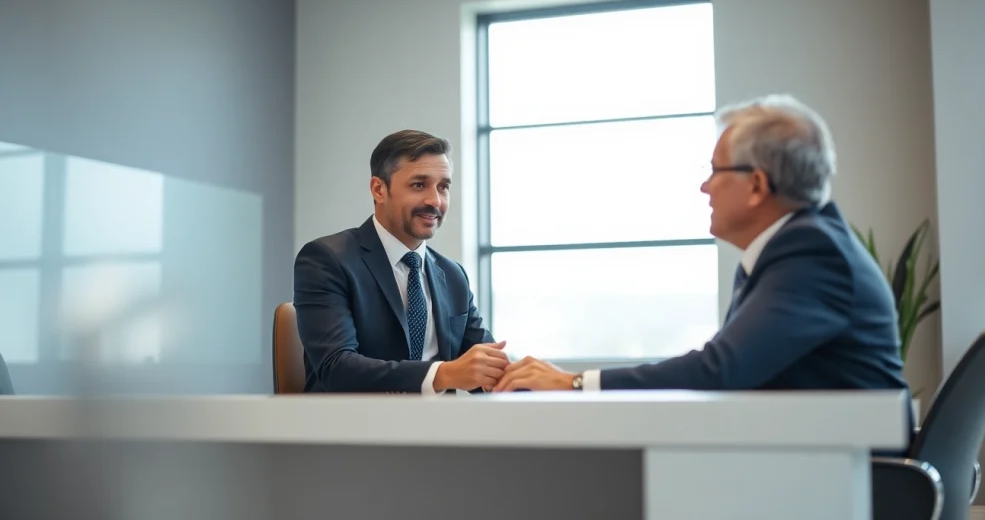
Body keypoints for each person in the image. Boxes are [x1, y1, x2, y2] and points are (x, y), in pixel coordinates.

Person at [493, 94, 909, 399]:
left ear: (757, 185)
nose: (704, 186)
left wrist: (575, 382)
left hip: (846, 476)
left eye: (715, 171)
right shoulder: (795, 247)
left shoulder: (812, 253)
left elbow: (721, 368)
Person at [294, 130, 508, 393]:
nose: (435, 201)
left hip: (442, 429)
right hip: (353, 429)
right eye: (419, 185)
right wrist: (443, 373)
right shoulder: (327, 259)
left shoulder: (452, 275)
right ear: (379, 189)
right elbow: (337, 368)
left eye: (443, 187)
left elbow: (486, 367)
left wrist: (545, 380)